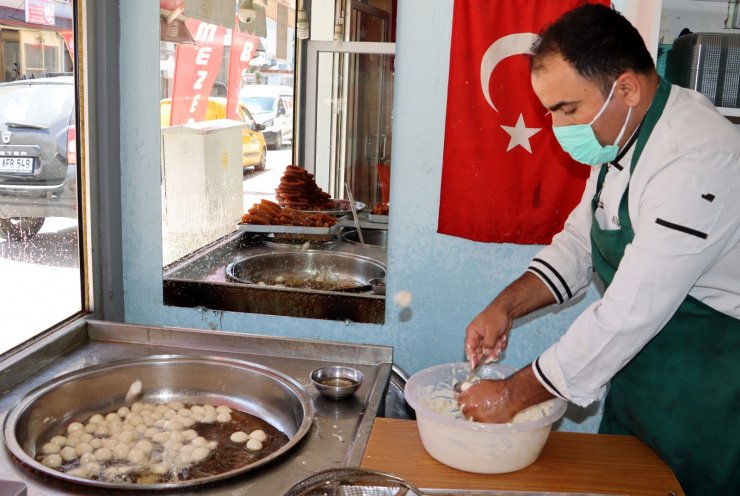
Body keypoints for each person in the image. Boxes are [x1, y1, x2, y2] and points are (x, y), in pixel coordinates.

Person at [457, 5, 740, 495]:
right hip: (641, 379)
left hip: (711, 392)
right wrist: (505, 305)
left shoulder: (698, 160)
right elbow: (579, 242)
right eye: (550, 112)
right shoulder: (621, 133)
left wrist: (510, 394)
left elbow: (630, 311)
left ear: (626, 88)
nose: (557, 127)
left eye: (567, 109)